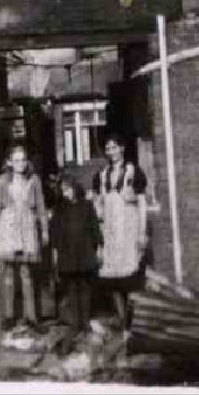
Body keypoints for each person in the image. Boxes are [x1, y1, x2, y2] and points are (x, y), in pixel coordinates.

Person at [92, 134, 148, 338]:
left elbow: (142, 203)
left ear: (122, 148)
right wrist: (99, 234)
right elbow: (98, 207)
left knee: (130, 279)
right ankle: (123, 321)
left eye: (115, 147)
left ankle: (133, 325)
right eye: (108, 148)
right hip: (111, 233)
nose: (111, 152)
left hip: (129, 231)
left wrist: (142, 232)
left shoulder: (134, 172)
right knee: (113, 279)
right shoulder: (102, 175)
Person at [0, 145, 49, 331]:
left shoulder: (34, 179)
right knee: (8, 272)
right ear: (9, 162)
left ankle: (31, 317)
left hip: (27, 229)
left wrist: (45, 230)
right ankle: (9, 316)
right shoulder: (2, 181)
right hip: (8, 228)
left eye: (23, 159)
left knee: (26, 273)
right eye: (16, 160)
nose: (20, 164)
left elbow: (40, 207)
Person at [50, 171, 103, 336]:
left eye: (68, 189)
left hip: (85, 251)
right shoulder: (59, 208)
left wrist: (100, 247)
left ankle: (85, 322)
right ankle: (75, 324)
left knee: (85, 287)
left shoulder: (86, 205)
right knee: (72, 288)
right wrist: (55, 254)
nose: (66, 193)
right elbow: (55, 233)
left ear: (74, 187)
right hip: (68, 253)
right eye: (63, 191)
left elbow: (95, 227)